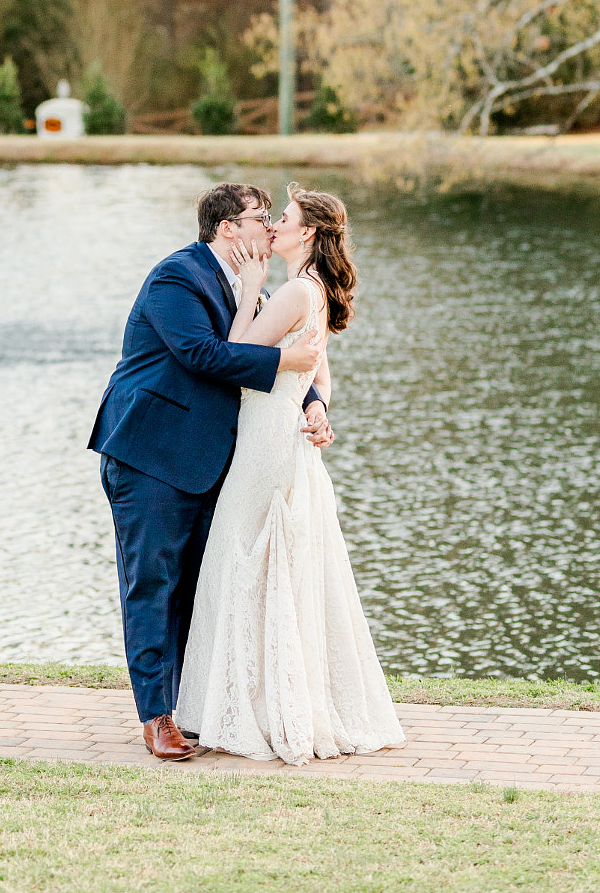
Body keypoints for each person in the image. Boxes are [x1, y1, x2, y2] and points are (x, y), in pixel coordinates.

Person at [88, 181, 330, 762]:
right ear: (228, 229)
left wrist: (313, 401)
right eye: (259, 217)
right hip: (151, 456)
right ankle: (156, 718)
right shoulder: (178, 278)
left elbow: (279, 359)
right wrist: (284, 361)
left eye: (274, 217)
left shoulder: (253, 286)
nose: (269, 226)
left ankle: (191, 704)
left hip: (212, 462)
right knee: (152, 584)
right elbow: (203, 355)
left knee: (199, 588)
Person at [176, 185, 405, 763]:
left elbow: (235, 355)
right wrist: (318, 404)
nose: (275, 224)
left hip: (267, 446)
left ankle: (251, 707)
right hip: (280, 440)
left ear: (306, 233)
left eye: (285, 217)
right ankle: (258, 699)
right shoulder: (314, 290)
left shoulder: (296, 290)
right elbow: (319, 375)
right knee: (269, 565)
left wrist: (251, 288)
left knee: (246, 560)